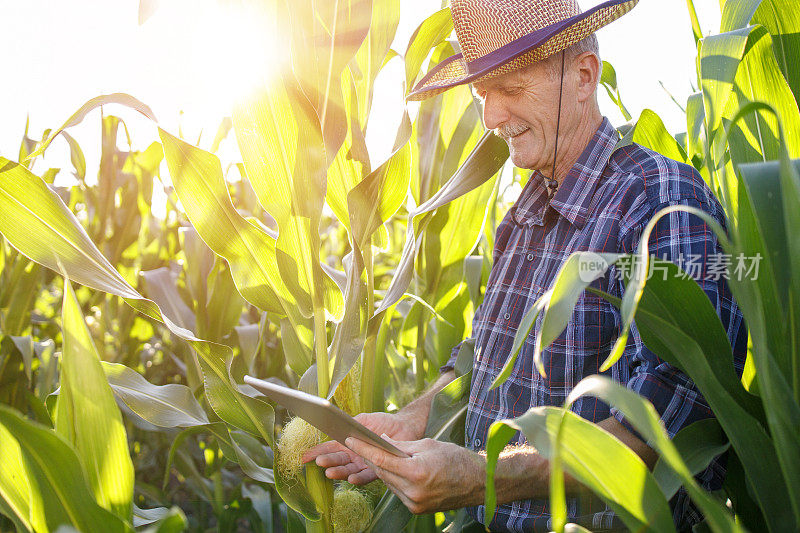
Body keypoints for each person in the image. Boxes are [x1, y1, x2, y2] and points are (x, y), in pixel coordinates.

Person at [303, 0, 747, 530]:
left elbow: (675, 425)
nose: (490, 118)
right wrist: (408, 421)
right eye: (481, 94)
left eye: (510, 89)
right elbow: (482, 361)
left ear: (584, 76)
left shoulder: (658, 202)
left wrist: (484, 475)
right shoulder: (523, 215)